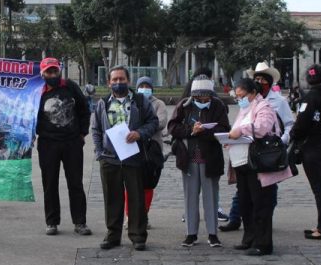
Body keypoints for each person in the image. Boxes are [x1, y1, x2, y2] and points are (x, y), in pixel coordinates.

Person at [221, 62, 294, 232]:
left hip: (266, 152)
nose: (259, 81)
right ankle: (238, 220)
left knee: (266, 193)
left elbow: (283, 125)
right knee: (244, 193)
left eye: (262, 79)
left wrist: (282, 140)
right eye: (257, 78)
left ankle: (261, 227)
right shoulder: (246, 106)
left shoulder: (275, 102)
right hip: (246, 156)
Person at [91, 65, 158, 251]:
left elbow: (153, 122)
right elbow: (96, 129)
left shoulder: (140, 101)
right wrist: (99, 152)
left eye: (121, 79)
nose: (118, 83)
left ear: (128, 81)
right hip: (109, 158)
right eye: (115, 80)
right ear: (109, 82)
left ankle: (138, 236)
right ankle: (113, 235)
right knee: (112, 198)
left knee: (136, 198)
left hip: (133, 157)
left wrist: (140, 133)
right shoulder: (103, 103)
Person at [168, 75, 230, 247]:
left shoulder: (218, 106)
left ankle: (212, 233)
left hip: (210, 158)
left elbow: (225, 129)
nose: (202, 100)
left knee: (211, 197)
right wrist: (191, 130)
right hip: (188, 158)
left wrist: (205, 130)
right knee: (190, 196)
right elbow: (172, 127)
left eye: (206, 96)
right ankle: (191, 233)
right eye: (198, 97)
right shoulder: (184, 106)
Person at [36, 57, 92, 236]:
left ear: (59, 71)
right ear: (42, 73)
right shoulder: (37, 92)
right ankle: (51, 222)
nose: (52, 74)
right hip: (47, 143)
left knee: (75, 183)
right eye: (48, 72)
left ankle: (80, 222)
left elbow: (84, 109)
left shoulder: (70, 86)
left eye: (54, 71)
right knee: (49, 183)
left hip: (72, 142)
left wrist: (82, 134)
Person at [290, 64, 321, 240]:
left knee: (319, 189)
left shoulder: (310, 97)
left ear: (308, 79)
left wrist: (293, 135)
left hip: (312, 146)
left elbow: (302, 122)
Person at [124, 76, 167, 228]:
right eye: (141, 85)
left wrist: (143, 128)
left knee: (148, 185)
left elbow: (161, 122)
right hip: (133, 148)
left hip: (152, 149)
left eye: (147, 86)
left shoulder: (158, 104)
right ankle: (129, 215)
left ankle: (144, 215)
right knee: (130, 184)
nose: (144, 88)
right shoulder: (132, 102)